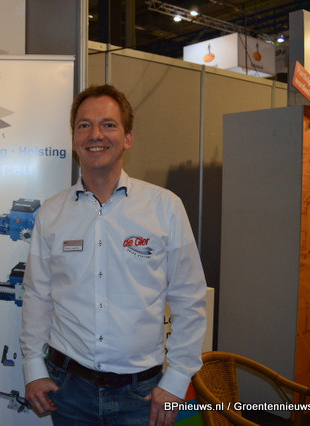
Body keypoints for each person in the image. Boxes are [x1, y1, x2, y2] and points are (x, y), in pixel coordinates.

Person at [20, 84, 207, 426]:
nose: (95, 135)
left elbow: (189, 300)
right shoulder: (52, 213)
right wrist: (33, 366)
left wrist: (177, 380)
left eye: (108, 124)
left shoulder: (165, 208)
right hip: (67, 391)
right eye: (84, 125)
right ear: (74, 139)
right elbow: (36, 295)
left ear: (128, 138)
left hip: (142, 395)